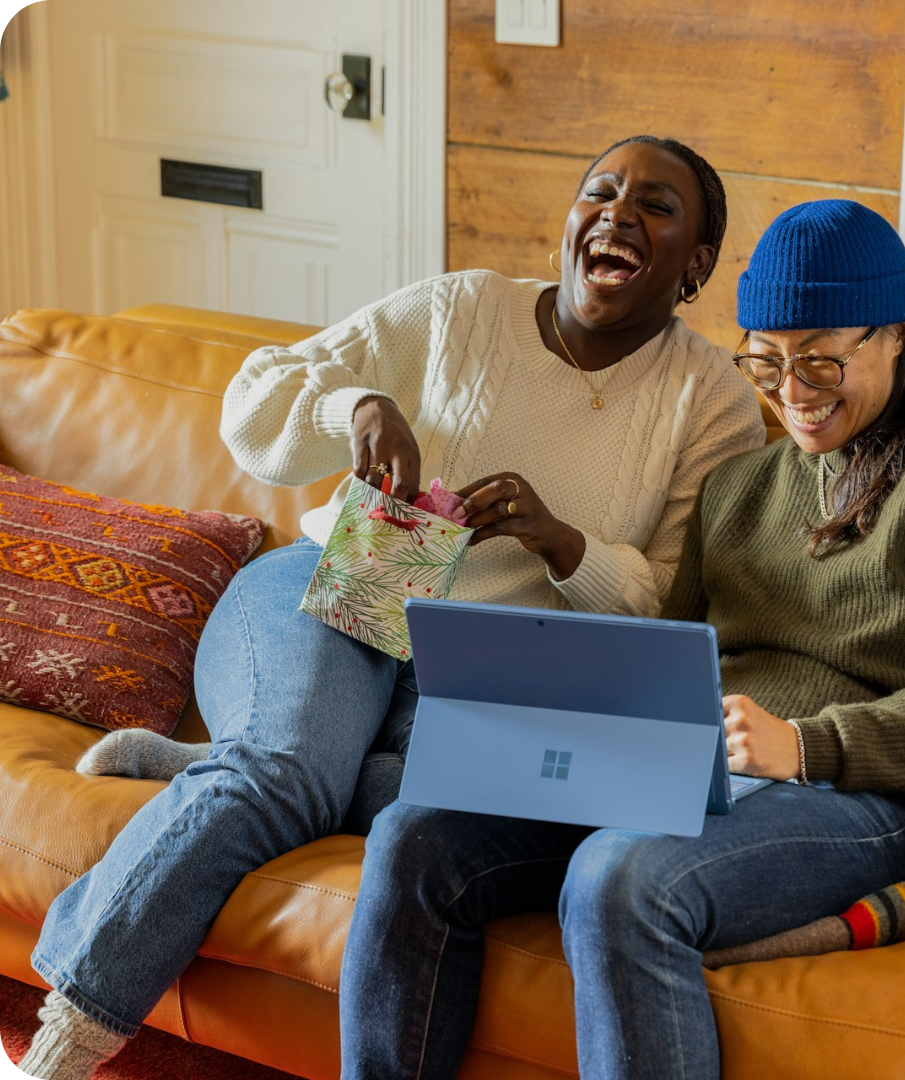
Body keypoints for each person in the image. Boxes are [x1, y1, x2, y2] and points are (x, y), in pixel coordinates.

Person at [16, 135, 765, 1080]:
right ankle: (68, 1033)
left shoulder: (714, 405)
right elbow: (254, 401)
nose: (618, 213)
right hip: (337, 584)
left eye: (656, 207)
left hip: (493, 666)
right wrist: (358, 409)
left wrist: (560, 542)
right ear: (571, 223)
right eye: (601, 192)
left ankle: (216, 763)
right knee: (289, 771)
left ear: (695, 264)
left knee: (476, 798)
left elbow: (668, 605)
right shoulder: (461, 310)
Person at [336, 199, 905, 1080]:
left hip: (863, 793)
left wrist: (808, 745)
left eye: (822, 360)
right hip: (693, 769)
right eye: (767, 361)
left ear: (896, 336)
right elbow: (667, 662)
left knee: (620, 878)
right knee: (415, 832)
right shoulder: (738, 488)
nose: (792, 392)